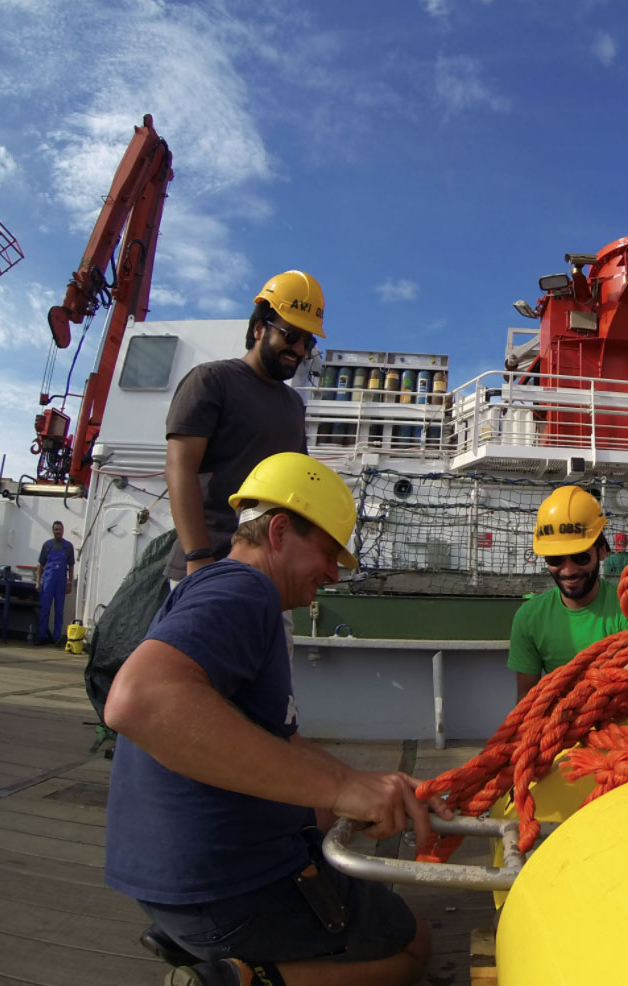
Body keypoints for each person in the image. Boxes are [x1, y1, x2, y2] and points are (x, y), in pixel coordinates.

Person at [105, 453, 451, 986]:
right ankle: (237, 979)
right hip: (221, 892)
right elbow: (138, 700)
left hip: (167, 884)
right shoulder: (245, 590)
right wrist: (340, 786)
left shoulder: (213, 588)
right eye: (328, 553)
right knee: (411, 946)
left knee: (320, 823)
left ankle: (208, 954)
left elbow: (279, 742)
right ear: (282, 532)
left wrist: (364, 787)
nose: (334, 574)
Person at [164, 270, 325, 584]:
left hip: (270, 575)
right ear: (259, 329)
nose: (300, 350)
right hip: (212, 566)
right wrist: (198, 558)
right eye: (291, 336)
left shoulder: (294, 405)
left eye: (308, 340)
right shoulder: (211, 380)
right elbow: (178, 468)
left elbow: (296, 486)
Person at [509, 486, 628, 701]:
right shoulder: (529, 618)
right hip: (563, 727)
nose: (568, 571)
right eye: (555, 559)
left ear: (602, 551)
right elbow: (526, 698)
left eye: (580, 557)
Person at [35, 520, 75, 645]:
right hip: (48, 582)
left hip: (60, 583)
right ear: (53, 531)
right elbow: (41, 565)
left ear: (63, 531)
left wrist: (70, 583)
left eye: (60, 529)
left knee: (59, 610)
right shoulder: (47, 545)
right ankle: (41, 636)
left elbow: (71, 566)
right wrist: (38, 582)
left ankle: (57, 638)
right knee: (44, 609)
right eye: (56, 529)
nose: (58, 532)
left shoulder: (68, 546)